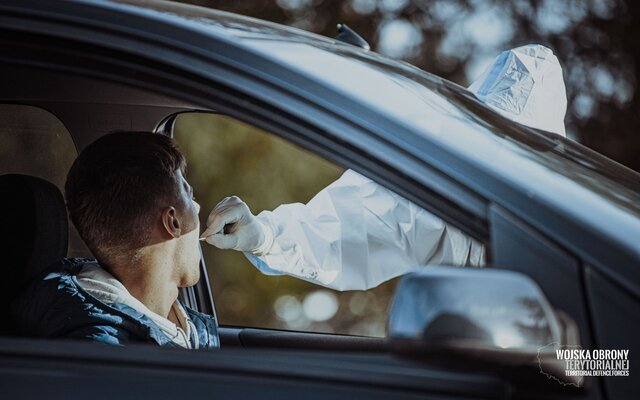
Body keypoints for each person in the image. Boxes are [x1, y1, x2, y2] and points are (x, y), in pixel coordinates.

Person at [200, 44, 568, 291]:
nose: (497, 164)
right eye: (490, 139)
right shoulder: (445, 198)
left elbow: (609, 362)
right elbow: (345, 225)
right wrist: (263, 234)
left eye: (513, 148)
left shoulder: (583, 233)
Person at [11, 132, 219, 348]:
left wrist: (259, 247)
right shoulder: (108, 351)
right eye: (191, 197)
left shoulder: (178, 323)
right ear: (173, 222)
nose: (197, 207)